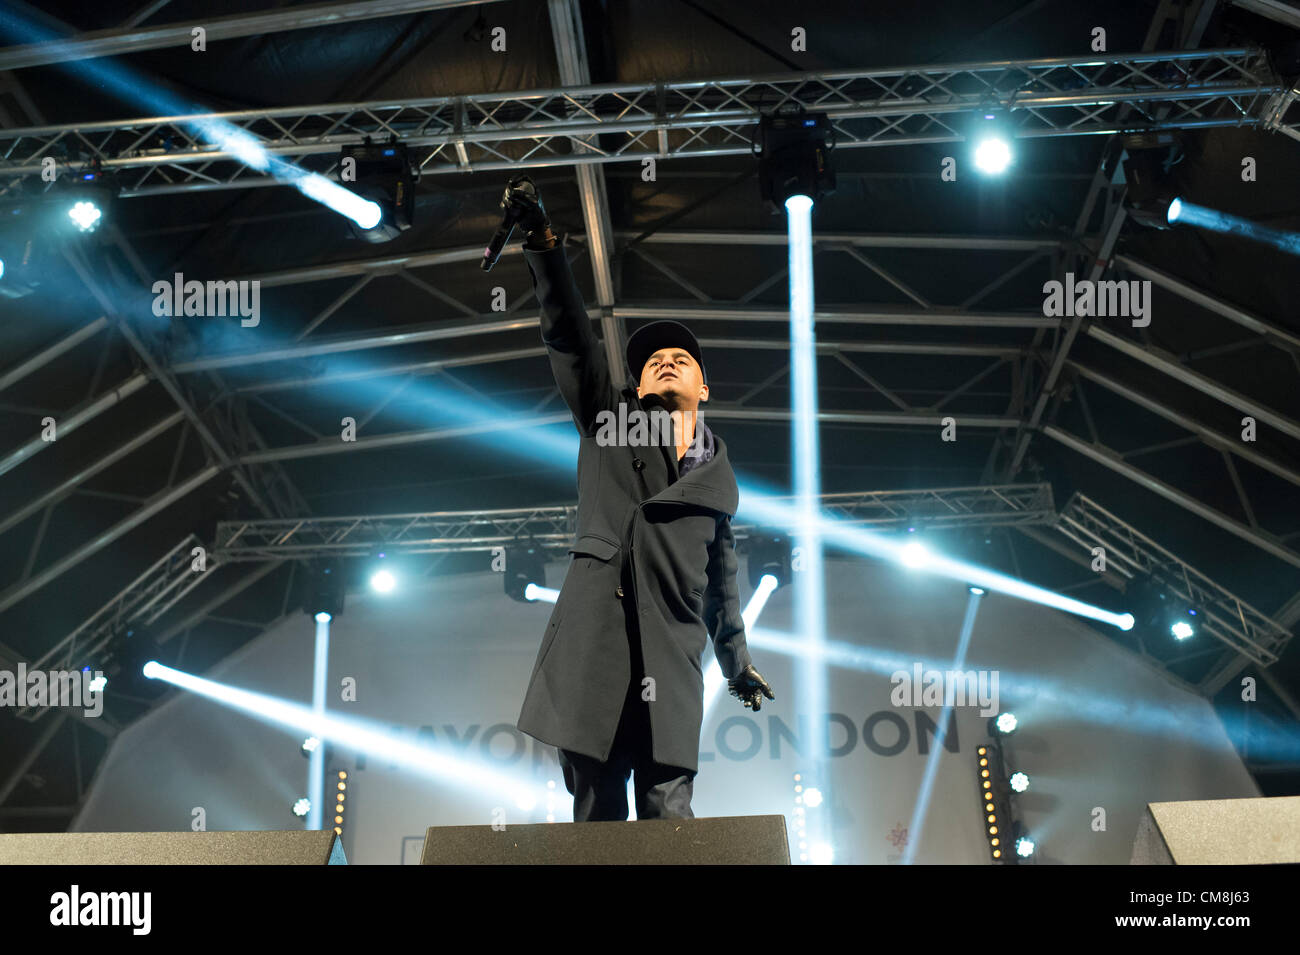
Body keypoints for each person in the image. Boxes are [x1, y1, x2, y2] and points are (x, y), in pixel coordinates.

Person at [503, 174, 775, 822]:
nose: (666, 360)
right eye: (653, 359)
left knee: (669, 811)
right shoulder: (607, 417)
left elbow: (722, 587)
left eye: (681, 357)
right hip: (596, 642)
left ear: (704, 388)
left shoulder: (716, 483)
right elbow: (569, 337)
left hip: (671, 656)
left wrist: (736, 664)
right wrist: (544, 242)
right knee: (597, 810)